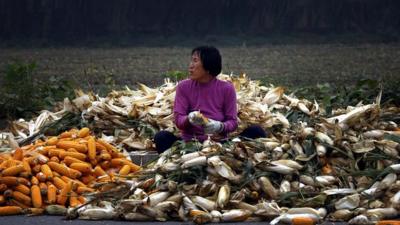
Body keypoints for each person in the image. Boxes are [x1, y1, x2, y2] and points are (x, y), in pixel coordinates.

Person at [154, 46, 267, 153]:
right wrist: (189, 118)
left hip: (221, 144)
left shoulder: (226, 88)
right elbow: (179, 120)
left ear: (208, 67)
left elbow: (232, 122)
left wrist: (220, 126)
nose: (190, 66)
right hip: (189, 144)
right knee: (161, 137)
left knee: (256, 131)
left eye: (195, 61)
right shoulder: (184, 87)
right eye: (191, 61)